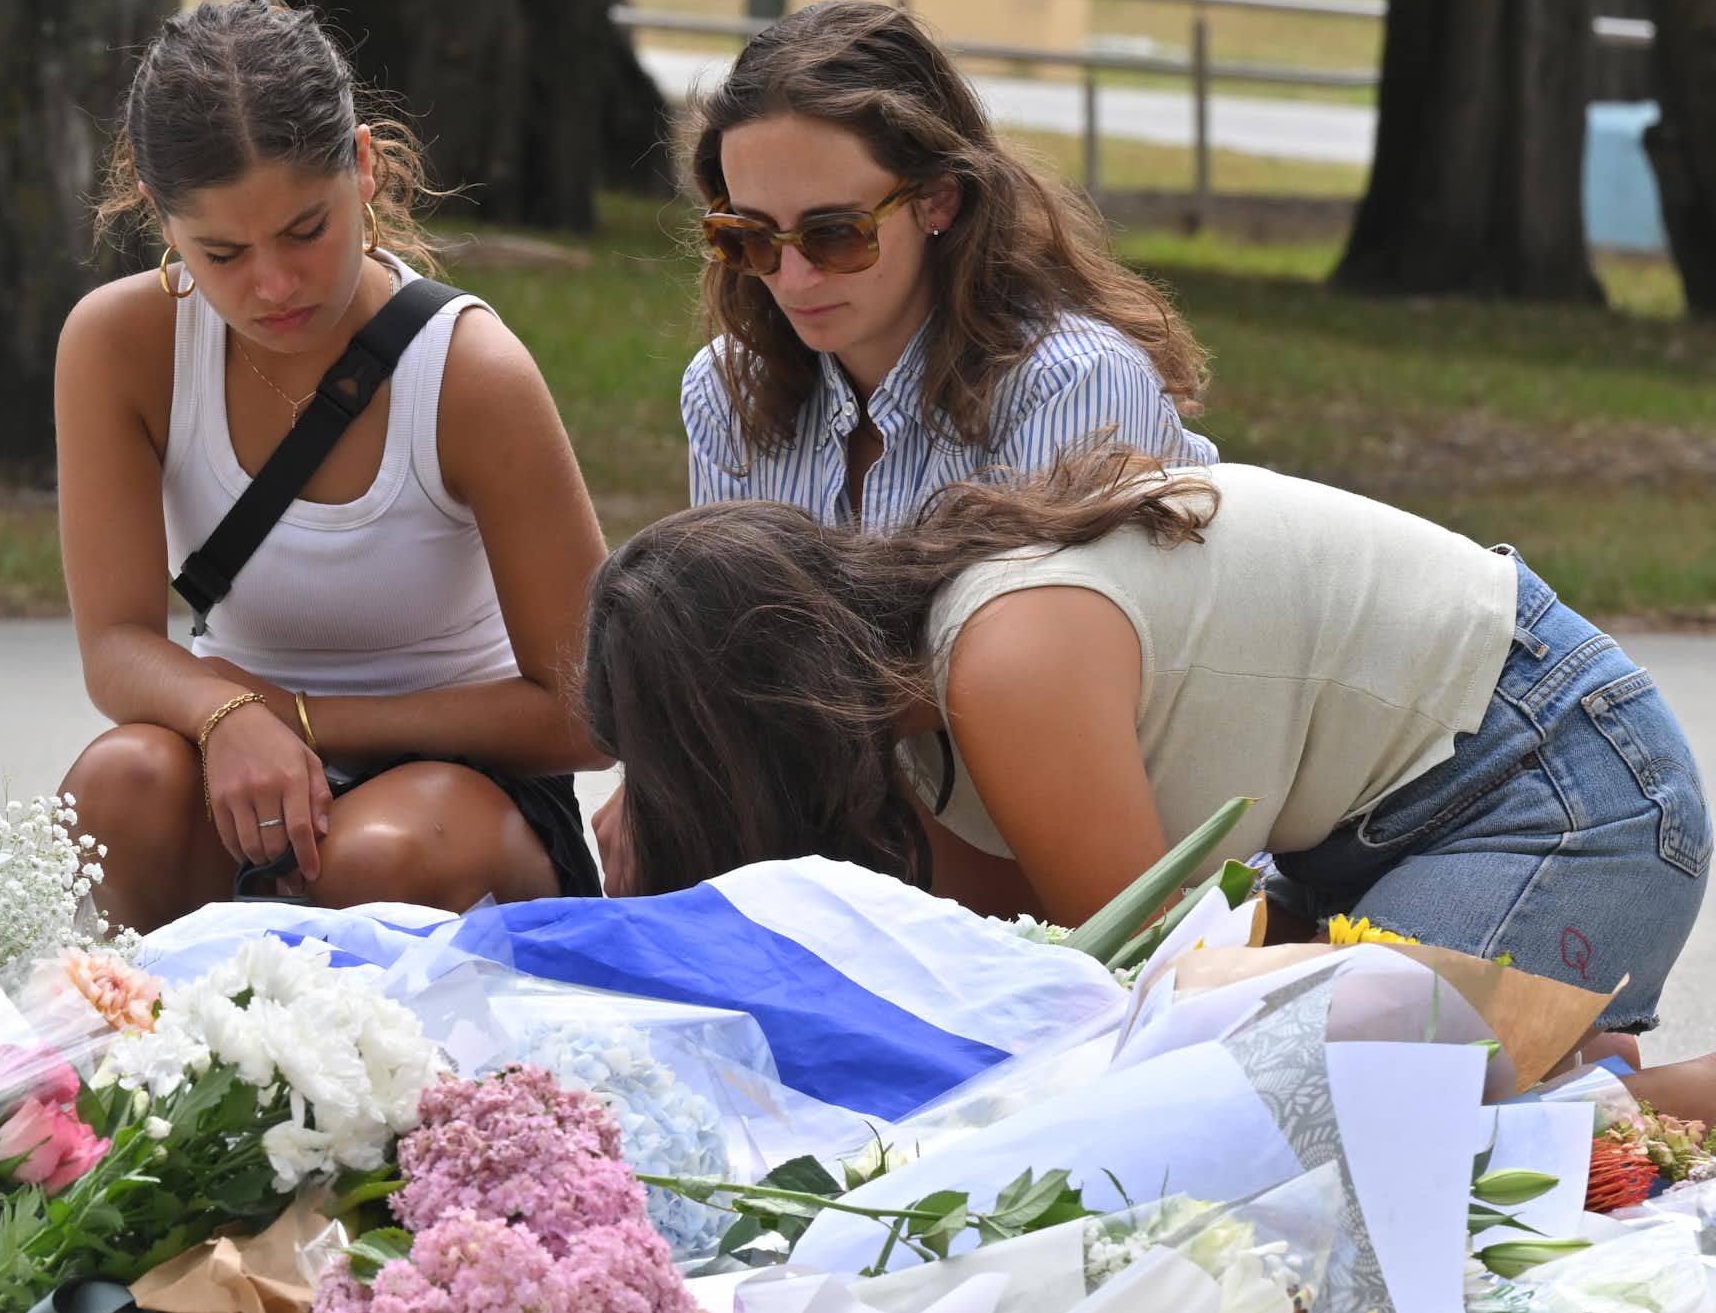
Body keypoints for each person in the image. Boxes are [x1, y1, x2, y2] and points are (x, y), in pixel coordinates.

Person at [579, 451, 1716, 1102]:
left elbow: (1147, 989)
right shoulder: (921, 703)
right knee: (1338, 1106)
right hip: (1400, 819)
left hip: (1561, 788)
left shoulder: (1005, 665)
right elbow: (988, 957)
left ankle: (1622, 1094)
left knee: (1348, 1122)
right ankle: (1544, 1067)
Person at [596, 0, 1218, 878]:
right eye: (749, 238)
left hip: (1103, 794)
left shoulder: (1072, 378)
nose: (794, 275)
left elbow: (1039, 688)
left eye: (835, 234)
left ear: (937, 200)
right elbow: (725, 649)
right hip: (908, 791)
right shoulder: (729, 386)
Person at [57, 0, 609, 933]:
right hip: (243, 755)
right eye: (223, 252)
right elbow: (114, 644)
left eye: (306, 230)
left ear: (362, 164)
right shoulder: (119, 342)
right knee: (114, 791)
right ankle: (152, 1068)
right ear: (158, 214)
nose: (273, 284)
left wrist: (293, 718)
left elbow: (592, 711)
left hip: (467, 790)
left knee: (368, 861)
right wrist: (229, 718)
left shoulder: (469, 372)